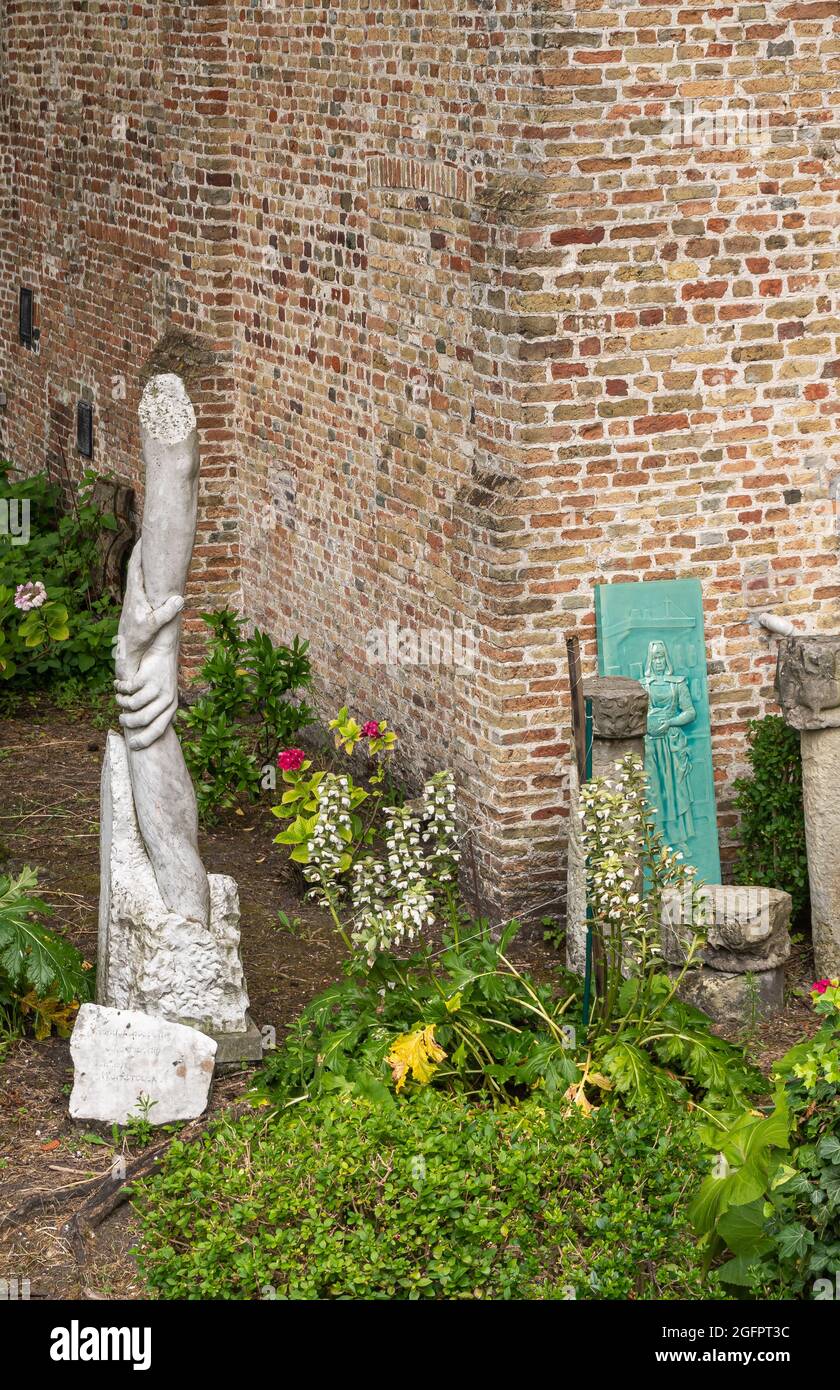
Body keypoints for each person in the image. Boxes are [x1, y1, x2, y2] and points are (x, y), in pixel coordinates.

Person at [642, 638, 696, 849]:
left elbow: (690, 712)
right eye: (655, 657)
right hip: (650, 745)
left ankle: (679, 838)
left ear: (667, 658)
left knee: (675, 790)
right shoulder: (643, 685)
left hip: (672, 744)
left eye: (661, 657)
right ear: (650, 659)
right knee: (654, 790)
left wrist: (671, 722)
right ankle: (657, 839)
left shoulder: (678, 683)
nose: (658, 662)